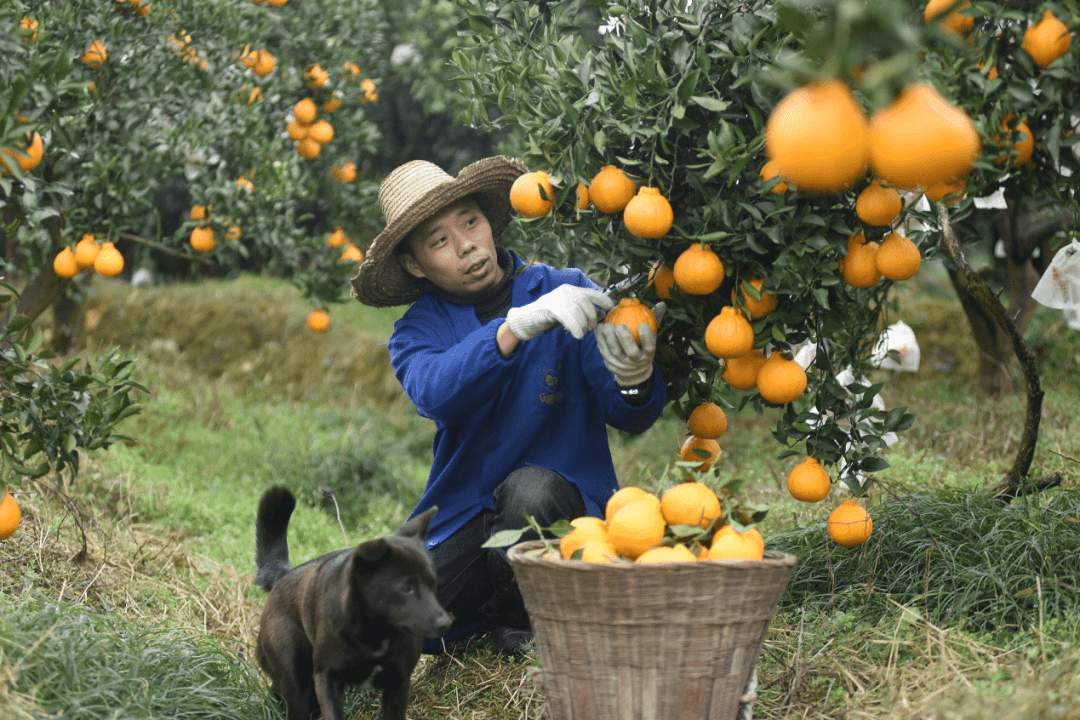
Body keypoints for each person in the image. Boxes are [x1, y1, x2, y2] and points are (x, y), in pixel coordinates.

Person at [350, 156, 666, 656]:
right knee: (379, 617)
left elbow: (629, 414)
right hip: (468, 514)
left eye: (470, 222)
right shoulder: (418, 330)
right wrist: (516, 327)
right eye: (439, 241)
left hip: (562, 509)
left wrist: (634, 380)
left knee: (531, 490)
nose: (466, 245)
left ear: (488, 222)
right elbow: (437, 394)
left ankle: (519, 626)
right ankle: (495, 603)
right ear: (415, 264)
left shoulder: (565, 290)